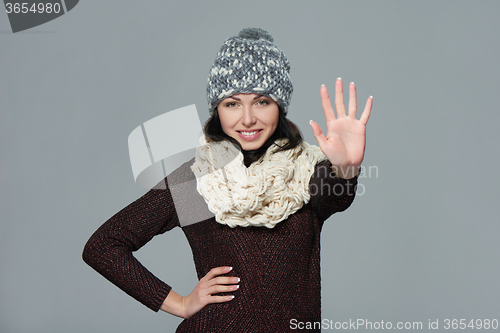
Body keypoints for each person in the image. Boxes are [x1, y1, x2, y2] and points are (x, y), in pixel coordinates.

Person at [82, 27, 372, 332]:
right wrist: (179, 303)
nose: (247, 118)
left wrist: (346, 167)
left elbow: (336, 197)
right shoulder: (199, 181)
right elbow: (104, 247)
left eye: (262, 101)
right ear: (217, 109)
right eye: (232, 103)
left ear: (279, 106)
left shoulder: (306, 172)